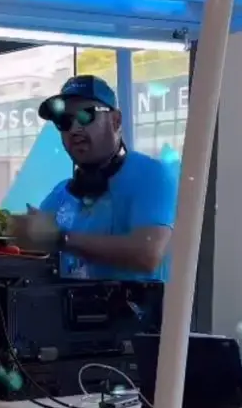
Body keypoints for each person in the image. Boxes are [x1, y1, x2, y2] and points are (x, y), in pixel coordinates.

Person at [9, 75, 177, 281]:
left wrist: (60, 238)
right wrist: (15, 233)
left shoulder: (151, 176)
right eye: (64, 122)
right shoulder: (61, 195)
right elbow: (34, 247)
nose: (74, 130)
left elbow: (148, 254)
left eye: (85, 116)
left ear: (115, 121)